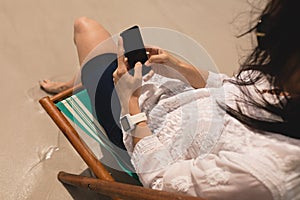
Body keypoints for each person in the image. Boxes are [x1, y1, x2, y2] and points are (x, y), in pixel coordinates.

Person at [41, 0, 300, 199]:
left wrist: (129, 100)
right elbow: (231, 87)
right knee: (120, 47)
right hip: (169, 93)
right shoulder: (286, 89)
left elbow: (159, 181)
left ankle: (81, 81)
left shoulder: (261, 171)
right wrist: (179, 67)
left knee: (85, 27)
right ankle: (84, 78)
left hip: (136, 127)